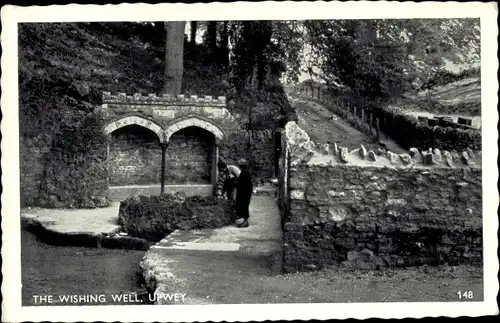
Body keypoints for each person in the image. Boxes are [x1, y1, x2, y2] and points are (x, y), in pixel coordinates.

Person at [234, 158, 253, 228]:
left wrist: (236, 182)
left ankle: (245, 222)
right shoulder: (244, 172)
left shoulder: (245, 173)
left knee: (244, 207)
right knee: (243, 206)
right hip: (245, 193)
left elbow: (242, 183)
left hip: (244, 193)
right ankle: (244, 220)